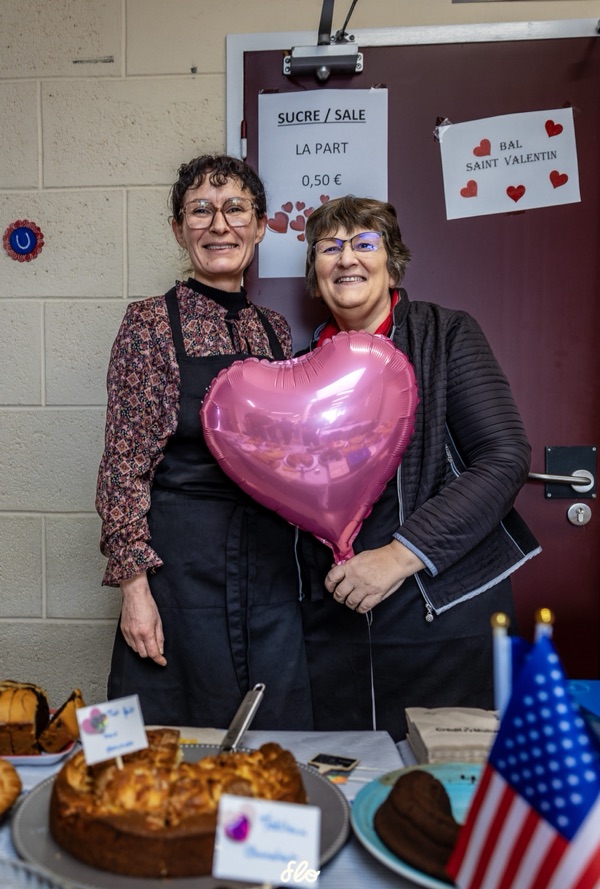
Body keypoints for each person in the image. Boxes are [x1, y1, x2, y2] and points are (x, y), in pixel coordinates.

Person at [298, 196, 541, 742]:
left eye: (365, 243)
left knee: (447, 801)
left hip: (443, 618)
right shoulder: (298, 364)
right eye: (329, 247)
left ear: (392, 261)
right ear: (314, 270)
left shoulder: (446, 334)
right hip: (336, 633)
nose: (346, 258)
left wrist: (396, 558)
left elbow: (504, 459)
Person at [96, 154, 313, 730]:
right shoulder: (148, 323)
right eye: (200, 210)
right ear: (178, 228)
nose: (220, 225)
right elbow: (123, 466)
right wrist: (134, 591)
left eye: (235, 208)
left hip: (269, 571)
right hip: (181, 574)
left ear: (261, 225)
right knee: (171, 749)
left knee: (274, 740)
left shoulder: (276, 330)